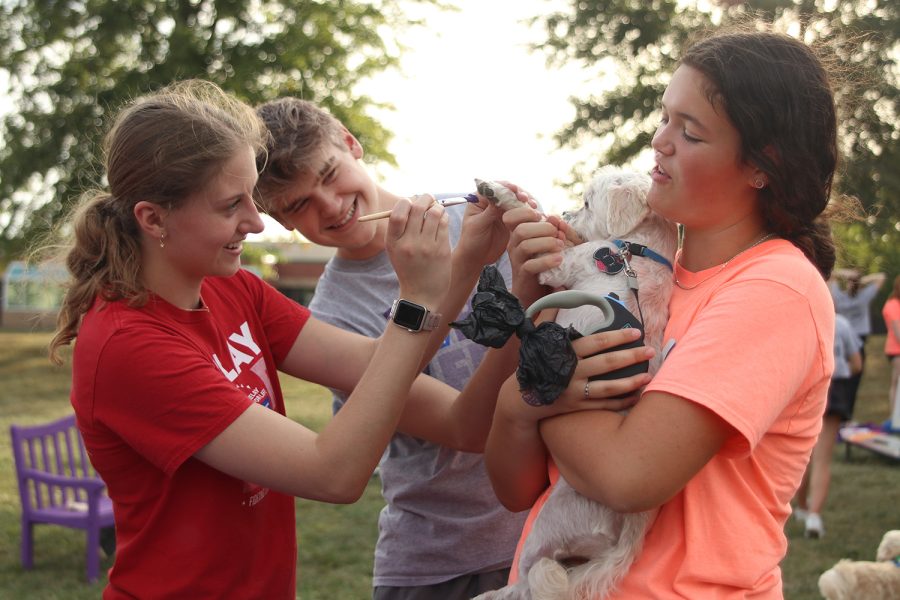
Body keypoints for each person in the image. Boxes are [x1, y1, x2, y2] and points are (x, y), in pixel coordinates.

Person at [45, 79, 555, 599]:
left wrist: (463, 265)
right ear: (154, 218)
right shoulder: (131, 346)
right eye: (230, 206)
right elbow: (332, 473)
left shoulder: (234, 289)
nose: (256, 223)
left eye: (253, 199)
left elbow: (379, 365)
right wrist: (418, 300)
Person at [485, 30, 841, 598]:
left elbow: (628, 475)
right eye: (664, 117)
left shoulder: (776, 288)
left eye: (689, 131)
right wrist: (517, 399)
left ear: (761, 166)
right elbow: (515, 489)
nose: (659, 141)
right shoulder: (645, 284)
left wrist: (544, 376)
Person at [253, 97, 529, 599]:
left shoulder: (475, 217)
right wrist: (474, 272)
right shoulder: (332, 317)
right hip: (443, 565)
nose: (332, 206)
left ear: (350, 143)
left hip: (547, 532)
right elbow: (465, 430)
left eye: (330, 174)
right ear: (280, 221)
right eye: (299, 205)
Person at [794, 311, 862, 538]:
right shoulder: (841, 323)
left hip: (807, 388)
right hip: (836, 388)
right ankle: (814, 515)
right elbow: (856, 363)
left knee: (805, 454)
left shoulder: (801, 318)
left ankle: (802, 506)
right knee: (823, 458)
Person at [829, 267, 886, 409]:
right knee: (854, 381)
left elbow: (831, 276)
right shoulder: (863, 296)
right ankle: (847, 413)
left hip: (841, 341)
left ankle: (837, 411)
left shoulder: (840, 296)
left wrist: (847, 275)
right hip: (859, 341)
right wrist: (861, 280)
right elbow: (881, 277)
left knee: (839, 378)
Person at [883, 275, 900, 430]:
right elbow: (897, 331)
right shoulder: (893, 304)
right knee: (896, 382)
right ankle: (895, 417)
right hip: (896, 350)